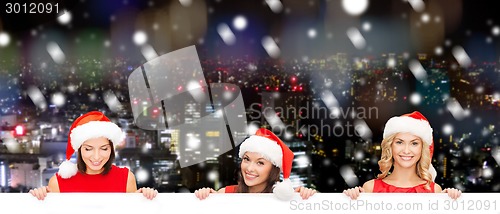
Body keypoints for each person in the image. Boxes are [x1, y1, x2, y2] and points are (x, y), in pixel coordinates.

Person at [30, 111, 158, 200]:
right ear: (79, 150)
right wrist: (38, 199)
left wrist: (145, 198)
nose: (96, 157)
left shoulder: (126, 178)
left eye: (103, 148)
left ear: (111, 150)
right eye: (88, 149)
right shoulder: (58, 182)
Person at [343, 111, 461, 200]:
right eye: (399, 142)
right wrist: (349, 201)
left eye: (414, 143)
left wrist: (450, 201)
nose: (406, 150)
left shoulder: (434, 190)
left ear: (422, 149)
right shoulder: (370, 188)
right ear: (390, 146)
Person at [195, 128, 316, 200]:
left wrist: (309, 197)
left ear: (273, 169)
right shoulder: (226, 193)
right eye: (247, 159)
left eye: (260, 163)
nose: (250, 168)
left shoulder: (284, 198)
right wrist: (205, 197)